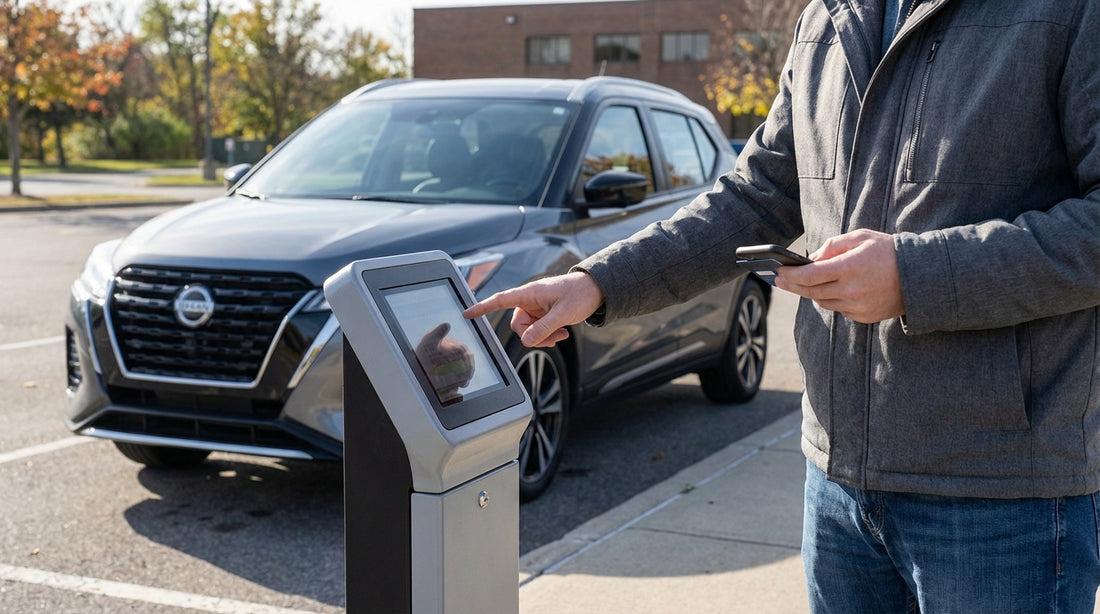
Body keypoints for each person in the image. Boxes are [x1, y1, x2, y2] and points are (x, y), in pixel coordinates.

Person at [464, 0, 1100, 611]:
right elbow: (753, 200)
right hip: (837, 485)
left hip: (1005, 494)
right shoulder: (827, 16)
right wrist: (596, 284)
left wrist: (916, 276)